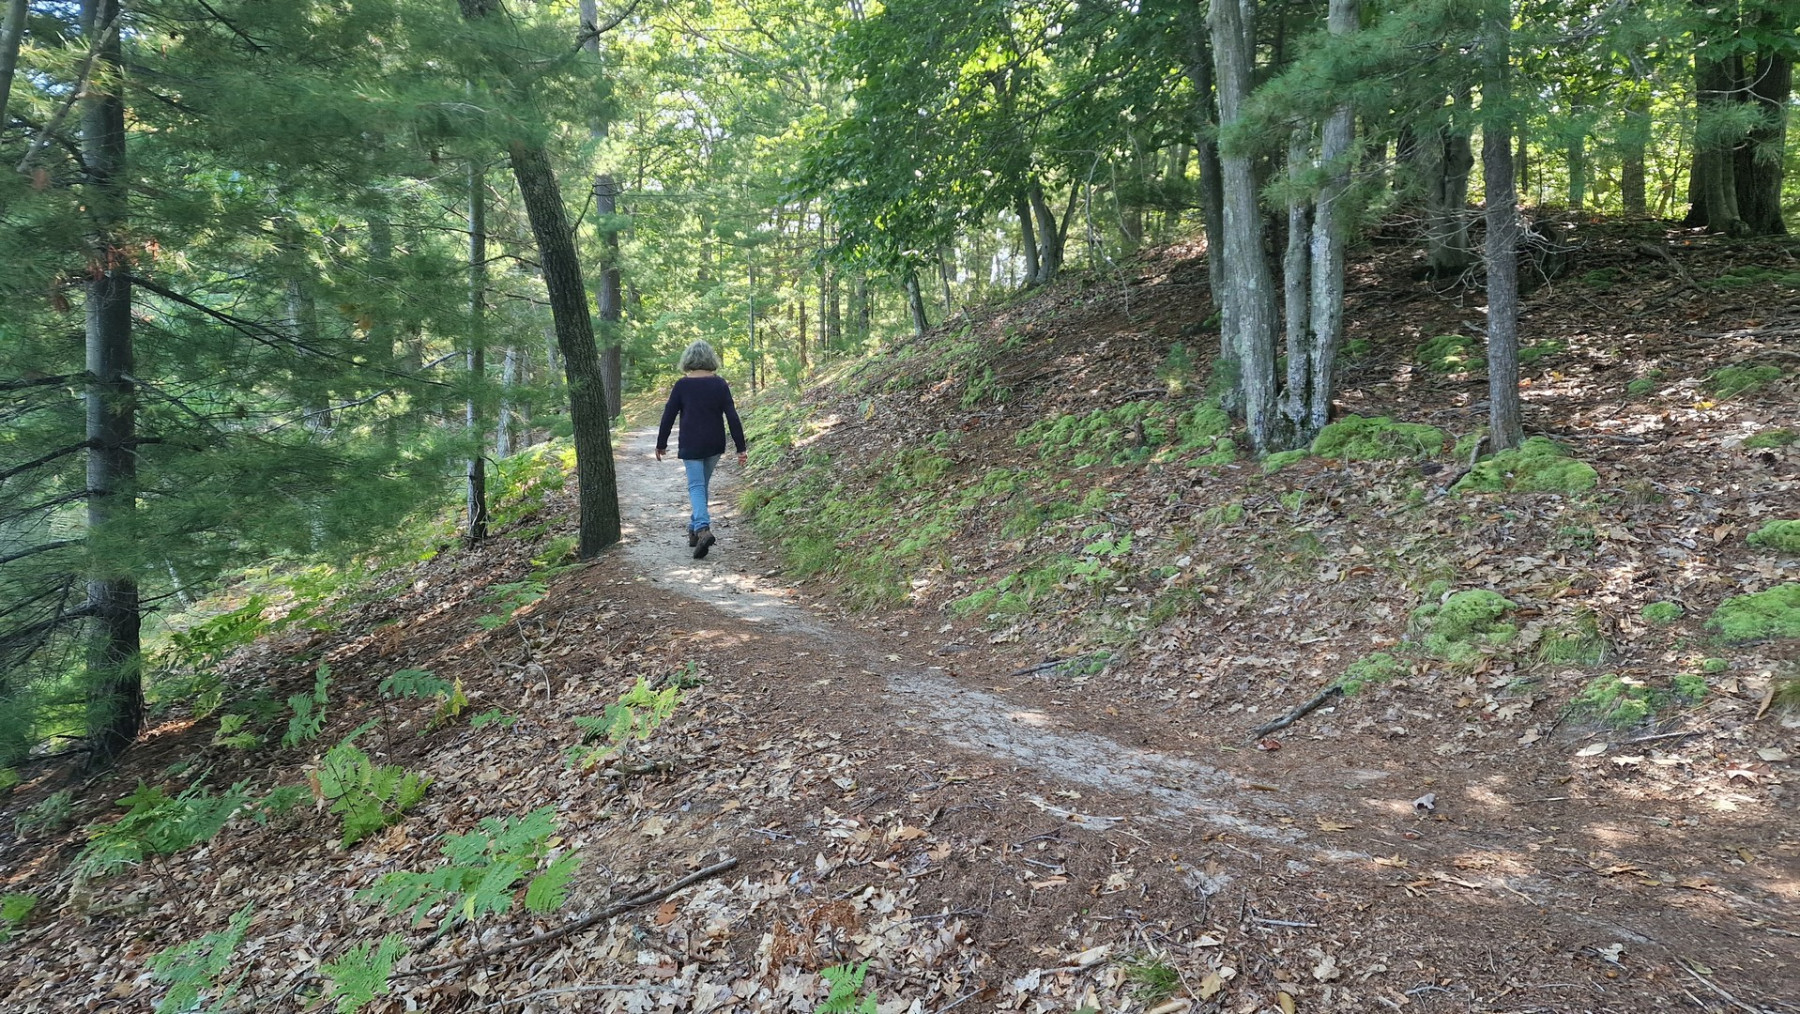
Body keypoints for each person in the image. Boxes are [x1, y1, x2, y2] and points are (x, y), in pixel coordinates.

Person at [655, 340, 747, 559]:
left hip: (691, 443)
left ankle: (703, 528)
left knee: (696, 486)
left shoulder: (682, 385)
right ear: (710, 359)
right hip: (714, 443)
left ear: (688, 360)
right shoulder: (720, 384)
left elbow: (668, 415)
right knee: (701, 485)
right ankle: (693, 530)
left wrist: (661, 443)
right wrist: (741, 447)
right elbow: (732, 417)